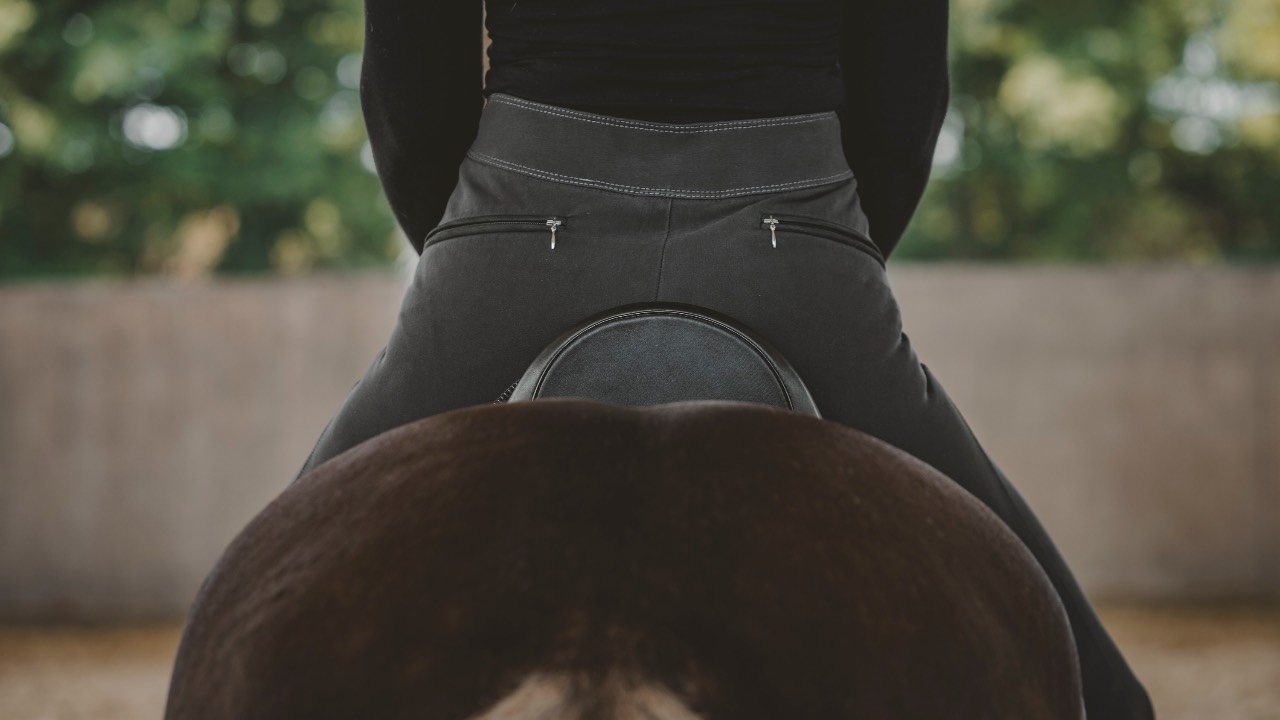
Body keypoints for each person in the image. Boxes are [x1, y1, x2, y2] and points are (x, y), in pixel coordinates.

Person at [298, 1, 1154, 716]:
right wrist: (826, 255)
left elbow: (408, 94)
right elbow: (904, 105)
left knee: (280, 585)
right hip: (790, 237)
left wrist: (479, 250)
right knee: (1095, 690)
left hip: (521, 231)